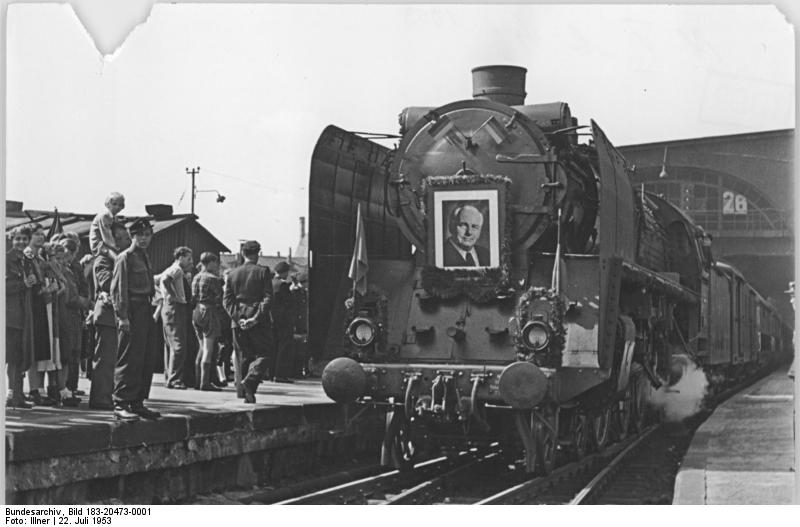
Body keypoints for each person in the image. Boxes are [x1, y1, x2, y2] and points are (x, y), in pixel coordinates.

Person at [110, 218, 160, 421]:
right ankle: (121, 402)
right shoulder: (126, 258)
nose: (144, 239)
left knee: (145, 358)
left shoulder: (144, 257)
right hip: (132, 310)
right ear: (132, 236)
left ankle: (137, 401)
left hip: (146, 309)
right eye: (140, 235)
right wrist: (122, 317)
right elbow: (118, 289)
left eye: (147, 235)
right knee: (128, 358)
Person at [223, 240, 273, 403]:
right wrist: (255, 318)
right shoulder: (263, 271)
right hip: (258, 320)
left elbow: (227, 301)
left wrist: (239, 319)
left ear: (243, 254)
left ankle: (244, 393)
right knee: (265, 353)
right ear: (257, 254)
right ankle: (250, 382)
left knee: (243, 356)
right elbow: (267, 298)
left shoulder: (231, 274)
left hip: (237, 321)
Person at [90, 223, 131, 409]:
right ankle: (100, 398)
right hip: (106, 315)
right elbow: (106, 282)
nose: (125, 242)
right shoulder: (104, 259)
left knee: (114, 359)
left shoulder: (124, 258)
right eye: (120, 238)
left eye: (126, 238)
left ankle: (110, 396)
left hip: (116, 314)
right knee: (105, 360)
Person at [24, 225, 59, 406]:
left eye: (42, 234)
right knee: (32, 348)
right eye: (36, 234)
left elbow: (56, 274)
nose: (41, 237)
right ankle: (32, 389)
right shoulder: (28, 255)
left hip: (41, 304)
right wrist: (46, 289)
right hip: (32, 304)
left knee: (40, 349)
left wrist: (51, 254)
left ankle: (37, 389)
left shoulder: (39, 257)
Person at [56, 238, 90, 406]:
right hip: (67, 313)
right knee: (67, 352)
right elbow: (70, 296)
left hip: (75, 314)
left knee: (75, 352)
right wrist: (85, 302)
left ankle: (71, 387)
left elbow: (82, 287)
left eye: (70, 254)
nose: (67, 257)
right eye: (64, 254)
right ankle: (65, 388)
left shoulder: (73, 267)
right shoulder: (62, 269)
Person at [6, 227, 36, 408]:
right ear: (11, 239)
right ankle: (11, 393)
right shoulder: (7, 258)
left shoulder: (26, 260)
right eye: (18, 239)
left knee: (19, 356)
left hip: (22, 315)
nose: (21, 242)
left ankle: (17, 395)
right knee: (10, 357)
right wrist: (23, 284)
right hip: (10, 315)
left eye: (25, 239)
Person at [161, 247, 194, 390]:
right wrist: (174, 296)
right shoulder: (177, 270)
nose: (190, 262)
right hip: (176, 307)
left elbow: (159, 279)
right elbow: (166, 281)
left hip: (167, 308)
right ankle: (175, 380)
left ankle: (169, 376)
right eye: (188, 258)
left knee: (170, 346)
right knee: (179, 346)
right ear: (180, 257)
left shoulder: (169, 269)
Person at [192, 252, 224, 391]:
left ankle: (197, 381)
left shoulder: (196, 277)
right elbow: (220, 298)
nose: (216, 265)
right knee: (208, 349)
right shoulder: (213, 279)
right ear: (210, 262)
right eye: (215, 262)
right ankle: (205, 383)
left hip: (197, 310)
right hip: (209, 311)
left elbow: (193, 296)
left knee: (201, 347)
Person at [271, 261, 295, 383]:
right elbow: (289, 303)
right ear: (284, 272)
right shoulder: (283, 285)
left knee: (274, 346)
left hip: (272, 320)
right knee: (284, 347)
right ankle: (280, 374)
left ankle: (272, 373)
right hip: (284, 320)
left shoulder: (271, 283)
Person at [90, 192, 125, 258]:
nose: (118, 207)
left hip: (108, 243)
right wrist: (117, 248)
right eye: (114, 204)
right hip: (99, 245)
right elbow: (107, 237)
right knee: (117, 259)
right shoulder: (104, 216)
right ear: (108, 204)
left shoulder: (114, 217)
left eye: (120, 205)